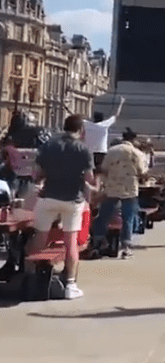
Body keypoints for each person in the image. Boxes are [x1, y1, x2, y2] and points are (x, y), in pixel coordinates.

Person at [27, 115, 95, 300]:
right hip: (73, 200)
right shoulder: (83, 149)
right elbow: (90, 179)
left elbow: (38, 174)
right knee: (70, 241)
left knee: (40, 236)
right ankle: (70, 284)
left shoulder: (49, 145)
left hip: (48, 196)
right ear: (81, 130)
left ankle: (31, 276)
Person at [90, 128, 147, 259]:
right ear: (133, 139)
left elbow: (104, 169)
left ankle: (98, 243)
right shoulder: (137, 153)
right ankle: (126, 247)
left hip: (112, 188)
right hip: (129, 189)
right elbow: (142, 172)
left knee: (103, 216)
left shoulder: (111, 151)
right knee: (128, 218)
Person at [83, 96, 125, 171]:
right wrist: (121, 103)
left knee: (88, 170)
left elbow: (77, 118)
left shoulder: (87, 124)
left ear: (94, 119)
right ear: (102, 119)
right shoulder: (104, 125)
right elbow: (116, 115)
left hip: (88, 152)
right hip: (101, 152)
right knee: (99, 171)